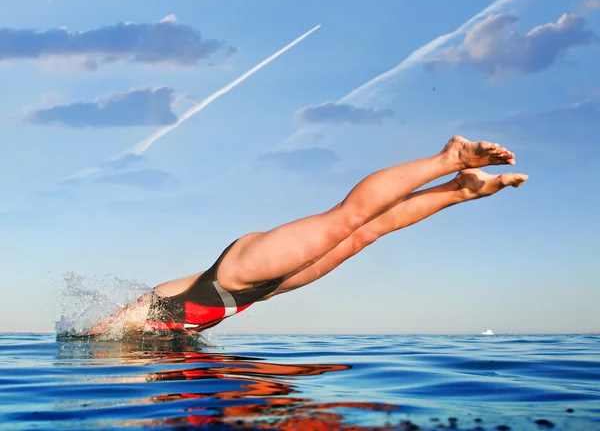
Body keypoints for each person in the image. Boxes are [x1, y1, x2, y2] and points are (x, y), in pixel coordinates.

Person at [91, 136, 527, 336]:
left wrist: (92, 342)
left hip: (236, 275)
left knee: (348, 219)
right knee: (363, 234)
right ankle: (459, 189)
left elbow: (109, 329)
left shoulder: (124, 339)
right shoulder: (154, 351)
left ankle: (447, 158)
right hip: (248, 293)